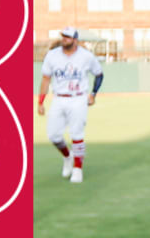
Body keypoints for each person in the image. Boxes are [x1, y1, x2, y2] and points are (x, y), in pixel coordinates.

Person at [38, 27, 102, 183]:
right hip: (59, 98)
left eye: (68, 37)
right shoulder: (52, 56)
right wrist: (40, 101)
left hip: (78, 98)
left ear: (75, 40)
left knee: (76, 134)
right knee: (53, 135)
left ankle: (77, 169)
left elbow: (99, 74)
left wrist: (93, 94)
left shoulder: (86, 56)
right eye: (63, 36)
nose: (64, 39)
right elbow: (46, 79)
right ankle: (68, 157)